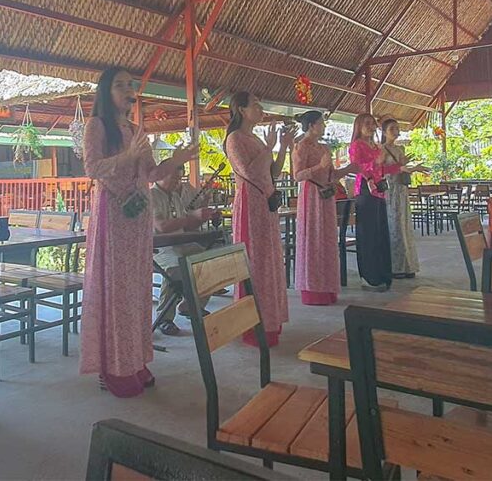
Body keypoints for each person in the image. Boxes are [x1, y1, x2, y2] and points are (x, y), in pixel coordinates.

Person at [80, 67, 196, 397]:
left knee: (136, 290)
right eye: (120, 85)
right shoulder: (97, 125)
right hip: (114, 215)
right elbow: (92, 168)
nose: (127, 90)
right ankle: (113, 367)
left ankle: (133, 359)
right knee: (117, 290)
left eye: (130, 85)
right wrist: (127, 155)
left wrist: (176, 160)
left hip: (139, 218)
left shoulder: (135, 128)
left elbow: (151, 173)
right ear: (106, 91)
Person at [224, 91, 292, 347]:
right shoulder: (234, 139)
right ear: (241, 110)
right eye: (255, 105)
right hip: (250, 206)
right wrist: (269, 147)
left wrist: (282, 147)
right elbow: (249, 171)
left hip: (266, 204)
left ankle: (271, 322)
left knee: (269, 262)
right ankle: (253, 327)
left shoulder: (253, 138)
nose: (261, 109)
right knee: (255, 264)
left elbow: (272, 172)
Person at [292, 110, 354, 305]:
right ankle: (313, 289)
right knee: (313, 238)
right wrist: (319, 167)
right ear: (311, 126)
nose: (324, 126)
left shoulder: (324, 147)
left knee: (327, 240)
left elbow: (331, 175)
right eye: (321, 123)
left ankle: (327, 287)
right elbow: (298, 175)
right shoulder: (300, 147)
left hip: (326, 196)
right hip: (311, 197)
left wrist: (348, 169)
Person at [151, 166, 217, 336]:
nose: (177, 182)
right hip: (160, 246)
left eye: (179, 179)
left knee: (212, 261)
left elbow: (187, 224)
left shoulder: (175, 196)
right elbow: (161, 226)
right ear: (161, 175)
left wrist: (202, 216)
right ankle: (165, 318)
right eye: (174, 178)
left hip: (181, 242)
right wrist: (190, 217)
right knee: (176, 268)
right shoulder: (151, 196)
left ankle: (190, 305)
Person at [348, 113, 398, 291]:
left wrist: (400, 167)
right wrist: (374, 163)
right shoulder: (356, 146)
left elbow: (381, 168)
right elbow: (357, 167)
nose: (371, 126)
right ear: (359, 126)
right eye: (367, 124)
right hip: (365, 190)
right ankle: (369, 276)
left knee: (380, 233)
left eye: (372, 123)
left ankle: (382, 273)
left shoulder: (376, 146)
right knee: (368, 235)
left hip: (378, 191)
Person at [380, 118, 427, 279]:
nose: (395, 130)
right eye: (392, 128)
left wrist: (411, 167)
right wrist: (402, 167)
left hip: (401, 190)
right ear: (384, 132)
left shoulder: (400, 149)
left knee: (405, 226)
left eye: (397, 128)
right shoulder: (382, 149)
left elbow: (403, 169)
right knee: (395, 226)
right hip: (391, 191)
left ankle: (408, 265)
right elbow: (380, 169)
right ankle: (396, 267)